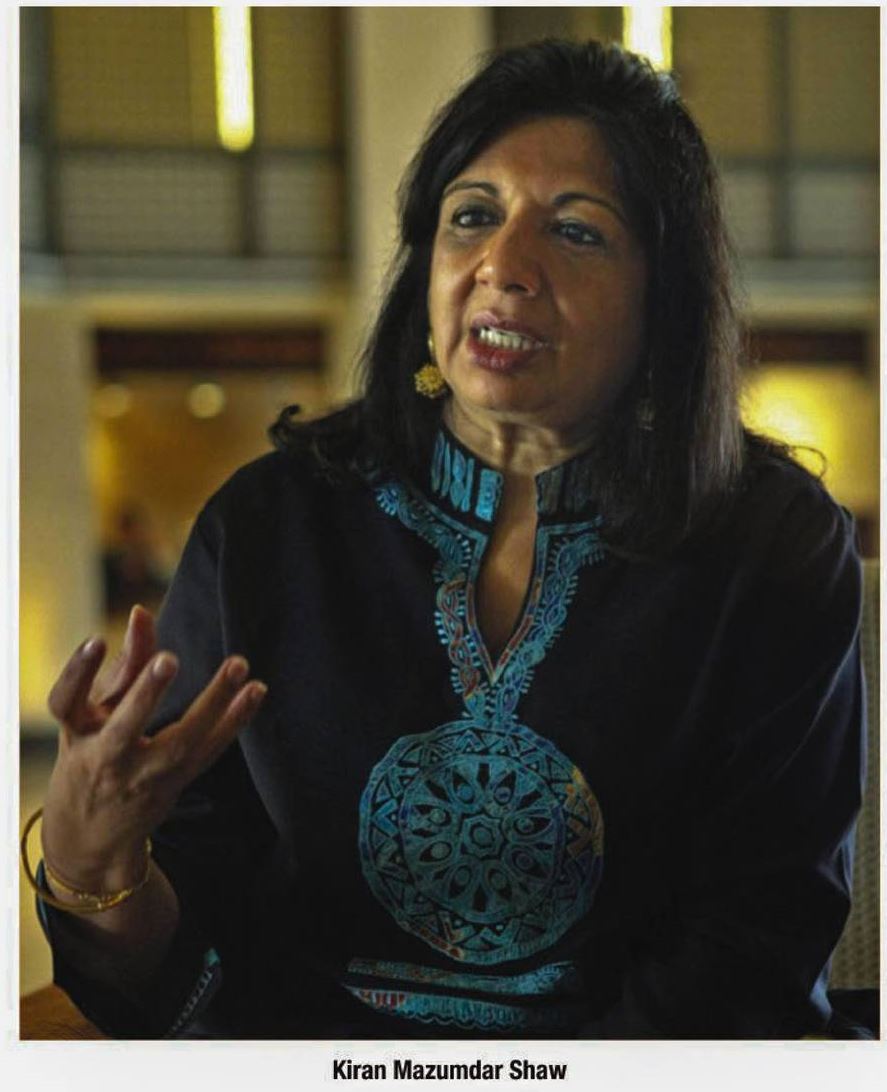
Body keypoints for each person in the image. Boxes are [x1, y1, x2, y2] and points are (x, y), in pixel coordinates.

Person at [27, 39, 864, 1039]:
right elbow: (192, 954)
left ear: (664, 295)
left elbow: (752, 941)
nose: (502, 267)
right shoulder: (268, 529)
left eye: (576, 231)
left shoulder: (768, 545)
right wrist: (92, 865)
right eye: (471, 216)